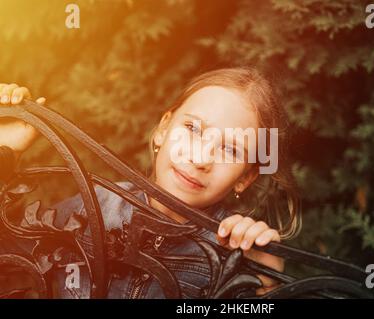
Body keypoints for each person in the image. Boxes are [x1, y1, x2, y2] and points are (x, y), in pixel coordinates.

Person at [0, 67, 301, 298]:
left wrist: (265, 285)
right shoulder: (93, 207)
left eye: (231, 149)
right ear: (163, 129)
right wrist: (5, 150)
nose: (200, 159)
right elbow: (9, 258)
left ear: (245, 178)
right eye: (193, 128)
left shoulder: (234, 254)